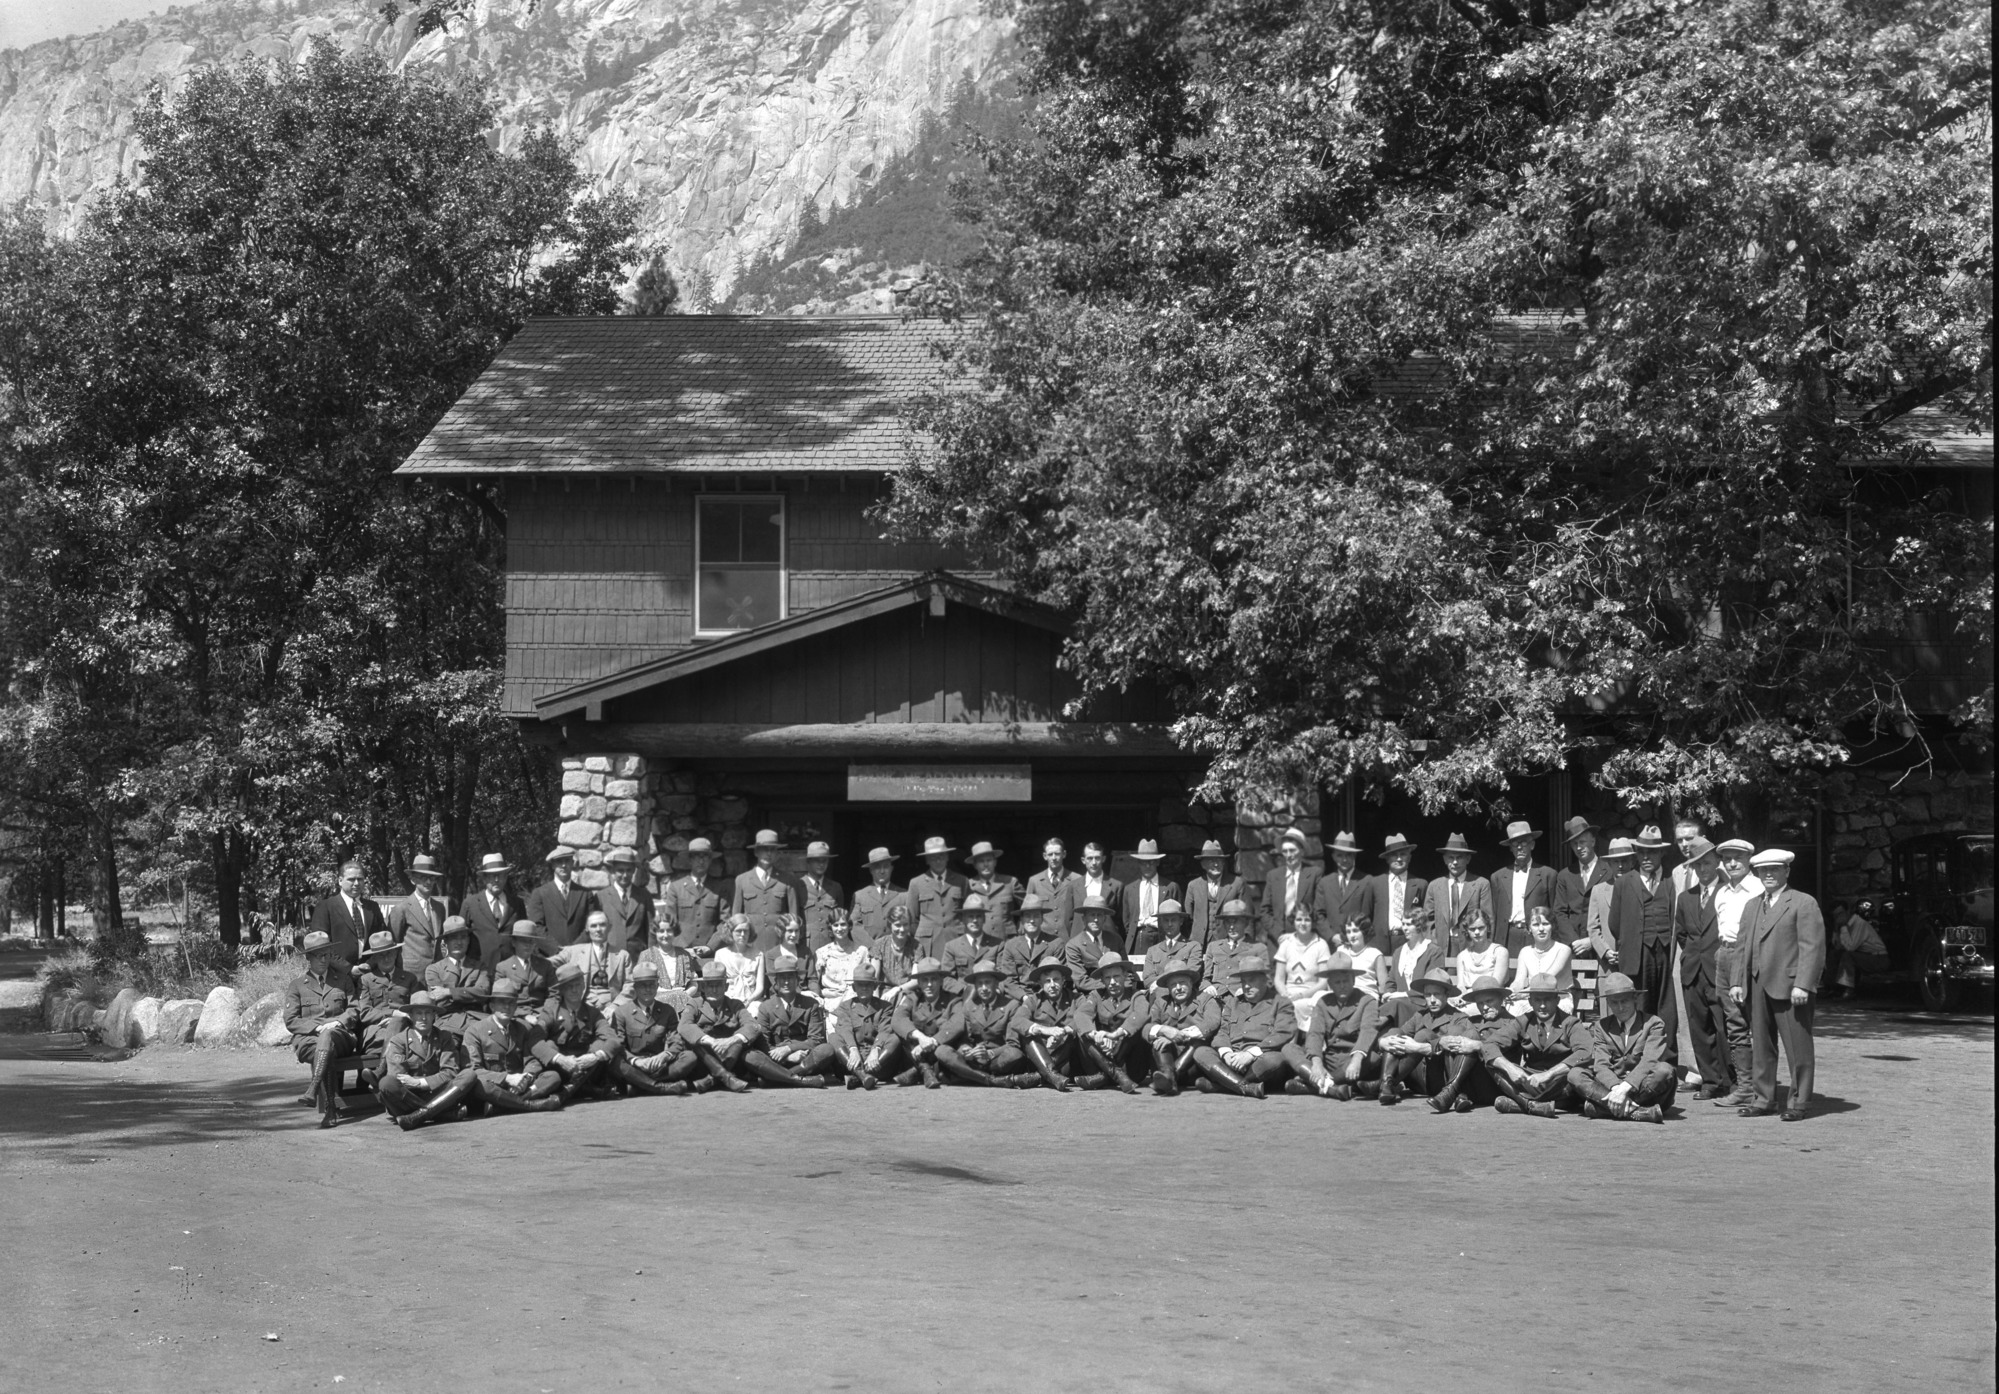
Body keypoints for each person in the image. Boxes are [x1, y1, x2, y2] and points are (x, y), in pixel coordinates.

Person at [1728, 848, 1824, 1121]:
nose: (1768, 875)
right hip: (1757, 984)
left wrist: (1804, 984)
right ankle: (1764, 1099)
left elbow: (1813, 947)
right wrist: (1737, 981)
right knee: (1761, 1045)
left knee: (1798, 1046)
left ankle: (1799, 1102)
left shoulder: (1803, 903)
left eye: (1774, 870)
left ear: (1787, 872)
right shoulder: (1753, 905)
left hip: (1791, 986)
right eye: (1762, 871)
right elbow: (1741, 945)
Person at [1610, 825, 1680, 1062]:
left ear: (1661, 855)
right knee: (1639, 1005)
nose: (1646, 858)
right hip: (1636, 954)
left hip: (1664, 953)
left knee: (1666, 1006)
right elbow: (1615, 923)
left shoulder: (1671, 882)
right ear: (1636, 855)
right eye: (1641, 853)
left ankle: (1667, 1058)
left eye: (1652, 853)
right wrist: (1632, 942)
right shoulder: (1624, 883)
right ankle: (1637, 1058)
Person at [1674, 837, 1736, 1099]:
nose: (1703, 869)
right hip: (1692, 972)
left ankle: (1731, 1080)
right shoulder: (1685, 898)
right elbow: (1682, 934)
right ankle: (1710, 1081)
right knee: (1699, 1028)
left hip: (1719, 971)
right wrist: (1691, 957)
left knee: (1724, 1028)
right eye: (1697, 865)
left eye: (1707, 863)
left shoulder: (1728, 893)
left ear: (1717, 863)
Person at [1568, 972, 1672, 1123]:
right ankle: (1637, 1111)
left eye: (1625, 1001)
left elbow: (1650, 1060)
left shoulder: (1654, 1023)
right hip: (1612, 1087)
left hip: (1643, 1086)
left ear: (1635, 999)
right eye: (1614, 1003)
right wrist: (1616, 1088)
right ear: (1608, 1003)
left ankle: (1605, 1107)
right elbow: (1601, 1065)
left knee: (1664, 1071)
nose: (1620, 1007)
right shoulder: (1601, 1026)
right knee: (1575, 1074)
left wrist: (1625, 1089)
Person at [285, 930, 360, 1127]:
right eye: (318, 955)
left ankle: (314, 1087)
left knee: (329, 1038)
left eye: (327, 954)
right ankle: (331, 1109)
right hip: (308, 1041)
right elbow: (291, 1020)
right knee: (326, 1048)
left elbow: (354, 1009)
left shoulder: (343, 980)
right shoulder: (297, 985)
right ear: (308, 958)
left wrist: (339, 1022)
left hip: (341, 1036)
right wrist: (318, 1028)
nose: (324, 960)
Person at [1189, 953, 1291, 1098]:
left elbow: (1283, 1034)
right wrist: (1226, 1053)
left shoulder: (1280, 1002)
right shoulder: (1233, 1003)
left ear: (1265, 980)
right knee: (1201, 1052)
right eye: (1243, 982)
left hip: (1259, 1061)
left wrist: (1250, 1054)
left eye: (1252, 980)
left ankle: (1222, 1085)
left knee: (1275, 1060)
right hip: (1232, 1060)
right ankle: (1245, 1087)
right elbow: (1222, 1032)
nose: (1247, 986)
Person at [1708, 838, 1763, 1104]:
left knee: (1755, 1019)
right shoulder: (1722, 892)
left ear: (1749, 860)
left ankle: (1760, 1086)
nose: (1731, 863)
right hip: (1724, 954)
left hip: (1748, 955)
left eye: (1737, 858)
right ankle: (1744, 1086)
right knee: (1733, 1021)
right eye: (1727, 858)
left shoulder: (1758, 889)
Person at [1282, 952, 1379, 1099]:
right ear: (1330, 984)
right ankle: (1333, 1088)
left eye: (1345, 981)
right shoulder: (1323, 1002)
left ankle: (1314, 1085)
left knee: (1374, 1058)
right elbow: (1315, 1034)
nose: (1342, 986)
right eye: (1337, 982)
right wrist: (1316, 1063)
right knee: (1289, 1048)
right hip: (1329, 1060)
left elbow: (1368, 1031)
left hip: (1352, 1059)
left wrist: (1357, 1060)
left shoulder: (1367, 1001)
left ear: (1353, 980)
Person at [1489, 974, 1589, 1117]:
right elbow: (1489, 1045)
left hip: (1559, 1083)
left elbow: (1585, 1052)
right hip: (1530, 1082)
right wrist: (1510, 1068)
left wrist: (1549, 1074)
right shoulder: (1523, 1021)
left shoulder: (1571, 1023)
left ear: (1557, 1000)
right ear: (1530, 1001)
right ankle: (1531, 1105)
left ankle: (1520, 1104)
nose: (1542, 1005)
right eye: (1537, 1000)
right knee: (1492, 1063)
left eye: (1547, 999)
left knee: (1576, 1077)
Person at [458, 978, 561, 1115]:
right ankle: (529, 1105)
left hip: (520, 1087)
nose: (507, 1007)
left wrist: (527, 1077)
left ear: (516, 1007)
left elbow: (531, 1060)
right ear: (492, 1006)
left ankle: (506, 1105)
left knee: (552, 1076)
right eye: (501, 1002)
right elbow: (473, 1071)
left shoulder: (522, 1028)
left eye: (511, 1003)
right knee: (479, 1085)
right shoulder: (475, 1031)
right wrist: (507, 1078)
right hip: (495, 1087)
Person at [1423, 976, 1524, 1114]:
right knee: (1455, 1031)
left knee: (1470, 1035)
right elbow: (1447, 1039)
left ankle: (1452, 1090)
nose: (1485, 1007)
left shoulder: (1513, 1023)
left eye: (1489, 1001)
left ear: (1502, 999)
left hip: (1493, 1085)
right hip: (1470, 1085)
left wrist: (1476, 1044)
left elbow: (1496, 1052)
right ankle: (1458, 1093)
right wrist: (1440, 1042)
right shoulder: (1472, 1021)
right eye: (1480, 1003)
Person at [377, 991, 474, 1131]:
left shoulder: (444, 1038)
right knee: (386, 1083)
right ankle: (439, 1114)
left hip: (438, 1093)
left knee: (468, 1075)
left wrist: (419, 1082)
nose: (423, 1018)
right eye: (418, 1013)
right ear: (410, 1016)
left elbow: (450, 1072)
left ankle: (418, 1116)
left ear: (434, 1016)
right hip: (410, 1098)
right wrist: (420, 1084)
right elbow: (399, 1079)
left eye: (428, 1013)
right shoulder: (398, 1040)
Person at [934, 959, 1035, 1088]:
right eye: (980, 984)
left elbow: (1013, 1043)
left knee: (1014, 1055)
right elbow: (965, 1039)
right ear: (975, 986)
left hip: (997, 1059)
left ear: (996, 983)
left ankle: (969, 1077)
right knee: (942, 1051)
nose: (984, 988)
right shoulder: (969, 1006)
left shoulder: (1011, 1005)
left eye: (988, 983)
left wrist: (990, 1053)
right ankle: (990, 1080)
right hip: (974, 1060)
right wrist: (967, 1051)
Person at [532, 960, 619, 1104]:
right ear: (561, 990)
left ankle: (568, 1092)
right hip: (560, 1068)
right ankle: (585, 1090)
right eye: (569, 987)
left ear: (584, 986)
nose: (574, 990)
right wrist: (560, 1059)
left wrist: (595, 1057)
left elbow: (614, 1040)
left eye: (578, 985)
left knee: (599, 1045)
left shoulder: (593, 1013)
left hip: (586, 1067)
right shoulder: (551, 1011)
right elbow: (534, 1040)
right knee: (549, 1044)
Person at [604, 962, 695, 1096]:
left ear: (657, 986)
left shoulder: (667, 1010)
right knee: (614, 1062)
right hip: (634, 1065)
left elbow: (677, 1041)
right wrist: (636, 1061)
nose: (648, 989)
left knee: (689, 1057)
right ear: (635, 987)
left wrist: (665, 1055)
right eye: (643, 985)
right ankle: (660, 1087)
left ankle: (639, 1085)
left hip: (659, 1065)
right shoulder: (622, 1012)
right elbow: (618, 1046)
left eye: (651, 985)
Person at [1374, 968, 1460, 1105]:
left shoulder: (1458, 1018)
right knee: (1395, 1031)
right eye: (1427, 995)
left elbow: (1456, 1054)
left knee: (1423, 1034)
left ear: (1447, 994)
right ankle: (1386, 1083)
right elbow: (1399, 1035)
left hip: (1439, 1080)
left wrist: (1418, 1047)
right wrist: (1382, 1041)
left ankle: (1384, 1085)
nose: (1431, 1000)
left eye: (1436, 994)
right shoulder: (1420, 1015)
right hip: (1415, 1080)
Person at [746, 953, 831, 1088]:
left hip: (805, 1059)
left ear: (797, 980)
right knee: (751, 1056)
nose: (786, 982)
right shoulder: (765, 1007)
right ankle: (801, 1080)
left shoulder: (811, 1004)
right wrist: (787, 1056)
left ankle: (775, 1079)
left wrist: (789, 1048)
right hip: (777, 1060)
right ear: (776, 981)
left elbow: (816, 1040)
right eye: (782, 978)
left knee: (826, 1049)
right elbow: (764, 1044)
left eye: (790, 977)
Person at [677, 961, 761, 1092]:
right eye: (710, 985)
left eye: (718, 985)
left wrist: (730, 1041)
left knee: (738, 1039)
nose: (714, 990)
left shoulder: (735, 1005)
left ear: (726, 987)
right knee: (695, 1039)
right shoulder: (695, 1004)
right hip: (703, 1063)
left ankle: (713, 1079)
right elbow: (684, 1026)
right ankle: (725, 1077)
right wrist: (711, 1041)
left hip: (731, 1060)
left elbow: (752, 1025)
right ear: (703, 987)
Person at [1007, 955, 1088, 1091]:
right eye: (1047, 981)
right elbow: (1016, 1021)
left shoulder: (1077, 998)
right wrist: (1044, 1030)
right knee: (1028, 1032)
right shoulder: (1033, 1000)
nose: (1052, 985)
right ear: (1040, 983)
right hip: (1041, 1057)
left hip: (1067, 1060)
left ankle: (1039, 1077)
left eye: (1056, 980)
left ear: (1063, 980)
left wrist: (1064, 1031)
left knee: (1076, 1034)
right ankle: (1051, 1074)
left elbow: (1085, 1018)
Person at [1071, 951, 1149, 1093]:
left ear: (1125, 976)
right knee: (1082, 1031)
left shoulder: (1136, 995)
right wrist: (1095, 1035)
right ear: (1102, 980)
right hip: (1103, 1059)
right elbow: (1081, 1014)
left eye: (1116, 976)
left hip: (1130, 1068)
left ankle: (1104, 1077)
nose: (1112, 982)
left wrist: (1116, 1035)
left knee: (1137, 1030)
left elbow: (1141, 1014)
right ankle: (1115, 1074)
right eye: (1107, 978)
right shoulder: (1097, 996)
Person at [1141, 958, 1220, 1095]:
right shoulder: (1161, 1003)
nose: (1178, 988)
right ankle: (1168, 1077)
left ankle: (1170, 1078)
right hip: (1166, 1060)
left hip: (1194, 1067)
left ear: (1191, 982)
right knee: (1159, 1041)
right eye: (1173, 985)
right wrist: (1163, 1030)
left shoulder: (1205, 999)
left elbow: (1212, 1023)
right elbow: (1146, 1027)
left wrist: (1177, 1036)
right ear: (1168, 988)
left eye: (1182, 983)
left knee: (1197, 1042)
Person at [822, 960, 899, 1089]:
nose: (864, 988)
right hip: (851, 1062)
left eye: (868, 985)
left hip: (877, 1063)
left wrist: (876, 1050)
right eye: (860, 985)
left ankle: (859, 1076)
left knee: (894, 1039)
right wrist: (853, 1049)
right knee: (834, 1037)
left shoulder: (885, 1007)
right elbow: (845, 1029)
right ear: (854, 987)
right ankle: (862, 1075)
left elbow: (885, 1030)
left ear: (874, 987)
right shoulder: (846, 1006)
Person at [887, 957, 957, 1087]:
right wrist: (921, 1037)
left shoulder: (953, 1000)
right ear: (918, 982)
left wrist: (932, 1041)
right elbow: (898, 1019)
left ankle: (919, 1071)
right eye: (925, 980)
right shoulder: (912, 998)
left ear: (941, 981)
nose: (929, 984)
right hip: (914, 1053)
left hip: (939, 1056)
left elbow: (956, 1026)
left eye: (934, 979)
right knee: (901, 1034)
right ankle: (925, 1070)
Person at [1490, 820, 1556, 956]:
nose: (1519, 847)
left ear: (1532, 845)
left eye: (1524, 843)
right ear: (1510, 848)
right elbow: (1494, 914)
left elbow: (1554, 912)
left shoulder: (1547, 874)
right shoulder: (1498, 877)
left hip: (1537, 936)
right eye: (1515, 844)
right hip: (1508, 937)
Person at [308, 860, 386, 970]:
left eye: (360, 879)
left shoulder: (372, 907)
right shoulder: (326, 907)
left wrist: (370, 964)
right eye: (351, 879)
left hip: (369, 974)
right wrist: (348, 968)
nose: (356, 883)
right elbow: (320, 946)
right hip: (337, 976)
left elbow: (381, 941)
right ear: (340, 881)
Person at [352, 931, 421, 1054]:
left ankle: (380, 1070)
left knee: (402, 1036)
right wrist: (394, 1013)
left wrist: (399, 1020)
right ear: (374, 958)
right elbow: (365, 1013)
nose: (386, 958)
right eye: (381, 955)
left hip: (405, 1029)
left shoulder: (410, 978)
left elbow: (417, 1009)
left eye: (389, 953)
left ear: (396, 953)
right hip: (376, 1032)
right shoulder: (366, 980)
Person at [1424, 833, 1493, 954]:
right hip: (1441, 946)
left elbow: (1488, 919)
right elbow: (1427, 920)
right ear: (1445, 859)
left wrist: (1484, 948)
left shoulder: (1480, 884)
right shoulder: (1435, 886)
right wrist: (1433, 943)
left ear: (1468, 859)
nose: (1455, 862)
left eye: (1459, 857)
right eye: (1451, 857)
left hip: (1472, 945)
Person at [1552, 815, 1613, 951]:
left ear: (1593, 841)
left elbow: (1614, 912)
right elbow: (1559, 912)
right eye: (1574, 844)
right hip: (1573, 947)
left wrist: (1593, 941)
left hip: (1604, 946)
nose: (1579, 847)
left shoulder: (1608, 871)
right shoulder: (1565, 875)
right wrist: (1574, 942)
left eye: (1582, 842)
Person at [422, 918, 490, 1038]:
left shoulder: (480, 966)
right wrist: (470, 994)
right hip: (448, 1021)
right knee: (447, 1045)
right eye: (454, 938)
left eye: (463, 937)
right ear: (445, 942)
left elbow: (483, 993)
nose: (459, 942)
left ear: (469, 940)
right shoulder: (433, 969)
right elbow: (440, 1001)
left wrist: (448, 992)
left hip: (477, 1019)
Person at [1273, 903, 1333, 1032]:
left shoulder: (1321, 945)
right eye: (1299, 919)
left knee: (1294, 1007)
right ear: (1293, 921)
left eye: (1307, 919)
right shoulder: (1286, 944)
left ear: (1313, 922)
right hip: (1288, 994)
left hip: (1312, 996)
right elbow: (1278, 978)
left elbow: (1323, 982)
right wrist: (1285, 994)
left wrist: (1301, 995)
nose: (1303, 923)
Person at [552, 910, 629, 1012]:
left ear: (609, 927)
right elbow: (548, 963)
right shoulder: (573, 951)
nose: (598, 929)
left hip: (612, 1008)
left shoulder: (622, 955)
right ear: (587, 929)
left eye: (602, 925)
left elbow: (630, 985)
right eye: (593, 926)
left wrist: (615, 1006)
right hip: (581, 1008)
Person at [730, 830, 796, 948]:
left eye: (773, 849)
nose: (769, 853)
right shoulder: (742, 880)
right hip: (750, 944)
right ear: (756, 852)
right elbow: (736, 917)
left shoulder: (787, 880)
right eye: (765, 849)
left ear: (777, 853)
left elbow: (793, 917)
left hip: (778, 944)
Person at [389, 853, 451, 977]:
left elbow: (438, 942)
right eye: (423, 877)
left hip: (436, 974)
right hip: (411, 975)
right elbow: (393, 945)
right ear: (413, 879)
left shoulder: (440, 908)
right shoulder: (402, 909)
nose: (428, 882)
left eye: (432, 878)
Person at [907, 836, 970, 955]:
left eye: (941, 856)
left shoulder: (961, 881)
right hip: (928, 946)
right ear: (927, 860)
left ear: (947, 857)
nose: (938, 860)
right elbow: (911, 920)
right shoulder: (916, 883)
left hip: (957, 941)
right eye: (933, 857)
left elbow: (969, 914)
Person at [1366, 834, 1426, 957]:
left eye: (1403, 854)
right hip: (1379, 943)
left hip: (1410, 941)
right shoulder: (1374, 883)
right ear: (1387, 858)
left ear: (1409, 857)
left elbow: (1425, 919)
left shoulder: (1420, 884)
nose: (1399, 859)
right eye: (1394, 855)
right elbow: (1367, 915)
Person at [662, 837, 724, 954]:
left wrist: (711, 946)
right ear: (690, 860)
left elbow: (725, 923)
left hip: (710, 955)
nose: (701, 861)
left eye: (705, 856)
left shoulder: (719, 888)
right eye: (696, 856)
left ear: (710, 860)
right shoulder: (676, 887)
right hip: (681, 952)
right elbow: (669, 922)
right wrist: (681, 946)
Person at [1506, 907, 1573, 1015]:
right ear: (1529, 929)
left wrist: (1523, 994)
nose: (1541, 929)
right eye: (1536, 925)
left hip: (1558, 998)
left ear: (1553, 926)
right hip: (1532, 998)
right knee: (1512, 1007)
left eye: (1545, 924)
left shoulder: (1563, 950)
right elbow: (1519, 981)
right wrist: (1512, 991)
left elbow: (1546, 980)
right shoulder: (1525, 951)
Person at [1380, 908, 1446, 1019]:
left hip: (1422, 1004)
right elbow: (1391, 980)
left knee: (1394, 1006)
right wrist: (1388, 993)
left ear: (1419, 927)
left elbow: (1432, 984)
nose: (1404, 928)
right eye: (1403, 924)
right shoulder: (1399, 952)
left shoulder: (1433, 952)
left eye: (1409, 924)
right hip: (1398, 1002)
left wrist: (1403, 994)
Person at [1260, 827, 1321, 943]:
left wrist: (1304, 934)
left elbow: (1319, 908)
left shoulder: (1314, 874)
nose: (1288, 855)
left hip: (1306, 939)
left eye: (1292, 850)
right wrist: (1278, 935)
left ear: (1302, 851)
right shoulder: (1273, 876)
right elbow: (1265, 911)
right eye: (1285, 851)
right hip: (1278, 940)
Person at [1183, 840, 1243, 955]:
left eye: (1219, 860)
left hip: (1229, 943)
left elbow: (1246, 918)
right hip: (1199, 945)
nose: (1216, 864)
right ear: (1203, 864)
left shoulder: (1237, 883)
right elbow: (1186, 919)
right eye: (1211, 861)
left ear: (1224, 862)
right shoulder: (1193, 886)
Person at [1585, 837, 1636, 971]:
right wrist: (1605, 951)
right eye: (1615, 861)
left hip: (1635, 963)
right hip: (1608, 966)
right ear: (1609, 864)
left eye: (1624, 861)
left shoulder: (1641, 888)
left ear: (1632, 862)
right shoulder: (1599, 890)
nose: (1620, 865)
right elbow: (1593, 928)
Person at [527, 847, 593, 949]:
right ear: (553, 865)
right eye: (559, 862)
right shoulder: (539, 894)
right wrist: (556, 950)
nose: (563, 865)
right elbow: (536, 927)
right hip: (550, 957)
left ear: (572, 863)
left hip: (580, 954)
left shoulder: (585, 894)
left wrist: (574, 949)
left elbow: (592, 924)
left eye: (567, 861)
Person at [1314, 832, 1374, 944]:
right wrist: (1331, 936)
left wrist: (1357, 936)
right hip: (1332, 945)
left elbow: (1368, 914)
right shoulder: (1324, 882)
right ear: (1333, 856)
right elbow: (1318, 914)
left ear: (1354, 856)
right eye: (1340, 855)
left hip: (1358, 944)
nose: (1344, 860)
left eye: (1348, 855)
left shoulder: (1366, 881)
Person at [1122, 839, 1180, 955]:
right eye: (1144, 862)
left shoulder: (1170, 887)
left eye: (1151, 862)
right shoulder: (1130, 889)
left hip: (1163, 937)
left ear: (1158, 862)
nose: (1147, 866)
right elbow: (1126, 920)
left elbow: (1180, 918)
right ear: (1138, 863)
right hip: (1139, 937)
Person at [999, 894, 1063, 997]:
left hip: (1047, 996)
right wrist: (1023, 997)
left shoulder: (1055, 943)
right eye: (1028, 916)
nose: (1032, 920)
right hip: (1019, 998)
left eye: (1036, 916)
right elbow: (1008, 979)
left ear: (1042, 919)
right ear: (1022, 920)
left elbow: (1059, 976)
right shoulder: (1011, 945)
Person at [813, 908, 874, 1017]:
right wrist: (825, 994)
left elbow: (868, 983)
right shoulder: (822, 953)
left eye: (843, 924)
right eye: (835, 925)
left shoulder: (861, 952)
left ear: (849, 926)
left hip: (855, 1007)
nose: (839, 929)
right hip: (830, 1008)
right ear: (831, 927)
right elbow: (815, 985)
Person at [596, 846, 656, 957]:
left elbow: (651, 929)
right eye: (620, 870)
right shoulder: (601, 897)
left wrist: (652, 955)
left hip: (638, 958)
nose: (625, 875)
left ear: (634, 870)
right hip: (610, 957)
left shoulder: (644, 896)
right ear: (613, 870)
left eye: (628, 870)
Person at [1826, 899, 1890, 998]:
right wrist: (1836, 930)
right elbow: (1838, 946)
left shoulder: (1859, 924)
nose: (1839, 917)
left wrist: (1843, 927)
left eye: (1841, 914)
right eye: (1836, 915)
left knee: (1848, 956)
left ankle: (1849, 990)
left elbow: (1850, 947)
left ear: (1847, 912)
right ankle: (1833, 987)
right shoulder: (1843, 926)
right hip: (1862, 955)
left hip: (1878, 958)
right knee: (1834, 954)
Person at [941, 894, 1010, 984]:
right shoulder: (952, 947)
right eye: (970, 916)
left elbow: (1003, 975)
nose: (975, 920)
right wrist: (966, 991)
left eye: (978, 916)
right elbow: (947, 978)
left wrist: (995, 991)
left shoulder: (997, 945)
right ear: (963, 919)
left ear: (984, 919)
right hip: (963, 996)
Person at [491, 920, 558, 1011]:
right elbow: (500, 999)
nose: (528, 945)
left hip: (542, 1013)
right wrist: (523, 1015)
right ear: (514, 942)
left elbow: (554, 994)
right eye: (523, 941)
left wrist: (544, 1016)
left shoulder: (545, 965)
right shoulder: (503, 968)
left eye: (531, 941)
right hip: (515, 1015)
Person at [1025, 838, 1082, 944]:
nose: (1054, 858)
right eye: (1050, 854)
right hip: (1042, 942)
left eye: (1057, 854)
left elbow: (1080, 915)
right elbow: (1027, 913)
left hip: (1068, 941)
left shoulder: (1076, 880)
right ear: (1044, 856)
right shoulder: (1035, 881)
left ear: (1064, 854)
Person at [794, 840, 845, 949]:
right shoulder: (797, 886)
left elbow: (841, 919)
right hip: (805, 948)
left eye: (824, 861)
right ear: (808, 862)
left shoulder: (835, 888)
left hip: (830, 947)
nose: (821, 864)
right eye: (817, 861)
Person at [1139, 900, 1199, 991]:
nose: (1169, 924)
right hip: (1158, 997)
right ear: (1161, 922)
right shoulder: (1153, 950)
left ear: (1181, 921)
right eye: (1166, 920)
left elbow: (1192, 974)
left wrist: (1162, 981)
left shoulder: (1192, 946)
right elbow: (1147, 980)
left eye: (1173, 920)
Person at [850, 848, 906, 946]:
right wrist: (872, 948)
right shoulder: (860, 896)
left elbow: (910, 924)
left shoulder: (904, 895)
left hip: (897, 951)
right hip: (868, 954)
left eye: (886, 866)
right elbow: (854, 925)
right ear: (871, 870)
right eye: (877, 867)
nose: (882, 871)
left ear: (892, 868)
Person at [1202, 899, 1258, 993]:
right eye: (1228, 922)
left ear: (1246, 923)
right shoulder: (1213, 947)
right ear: (1224, 924)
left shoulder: (1257, 948)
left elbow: (1265, 981)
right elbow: (1205, 978)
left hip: (1242, 999)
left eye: (1236, 922)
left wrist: (1247, 989)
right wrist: (1208, 987)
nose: (1231, 927)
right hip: (1216, 998)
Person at [1062, 892, 1123, 978]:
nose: (1096, 919)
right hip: (1090, 990)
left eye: (1099, 915)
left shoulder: (1116, 940)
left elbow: (1126, 972)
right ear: (1084, 919)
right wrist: (1108, 985)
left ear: (1104, 919)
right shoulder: (1074, 945)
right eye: (1092, 915)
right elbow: (1081, 980)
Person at [1077, 842, 1126, 945]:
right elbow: (1069, 921)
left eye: (1097, 858)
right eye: (1089, 858)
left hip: (1107, 943)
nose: (1094, 863)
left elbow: (1120, 921)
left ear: (1103, 859)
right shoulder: (1073, 886)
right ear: (1083, 860)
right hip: (1080, 943)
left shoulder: (1116, 886)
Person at [1452, 913, 1509, 1001]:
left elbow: (1496, 984)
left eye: (1481, 928)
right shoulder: (1462, 956)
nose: (1477, 932)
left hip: (1491, 998)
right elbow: (1460, 985)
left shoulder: (1499, 952)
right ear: (1467, 931)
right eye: (1472, 929)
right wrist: (1462, 997)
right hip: (1467, 999)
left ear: (1488, 928)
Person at [713, 915, 766, 1006]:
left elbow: (760, 988)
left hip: (751, 1001)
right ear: (730, 932)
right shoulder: (721, 955)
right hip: (727, 1002)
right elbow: (718, 985)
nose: (742, 934)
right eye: (738, 931)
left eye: (746, 931)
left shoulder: (758, 955)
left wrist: (748, 1001)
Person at [872, 907, 921, 1002]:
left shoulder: (917, 947)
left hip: (907, 993)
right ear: (890, 925)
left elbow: (915, 980)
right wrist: (876, 1002)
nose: (902, 929)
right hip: (884, 994)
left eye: (905, 924)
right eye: (897, 925)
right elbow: (874, 979)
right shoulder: (879, 944)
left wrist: (898, 989)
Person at [1337, 919, 1390, 1002]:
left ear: (1364, 932)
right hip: (1344, 995)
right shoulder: (1341, 951)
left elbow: (1384, 987)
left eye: (1355, 931)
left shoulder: (1375, 954)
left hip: (1366, 997)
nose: (1352, 935)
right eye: (1348, 932)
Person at [964, 841, 1021, 919]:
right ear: (975, 865)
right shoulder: (968, 885)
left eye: (989, 860)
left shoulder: (1010, 882)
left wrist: (1022, 923)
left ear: (995, 862)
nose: (986, 864)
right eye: (981, 861)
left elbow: (1028, 906)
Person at [760, 915, 813, 997]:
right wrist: (801, 994)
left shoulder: (806, 952)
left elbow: (813, 979)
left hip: (806, 996)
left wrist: (816, 995)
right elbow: (776, 984)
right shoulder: (771, 955)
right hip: (780, 997)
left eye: (796, 931)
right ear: (781, 931)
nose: (794, 935)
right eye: (790, 931)